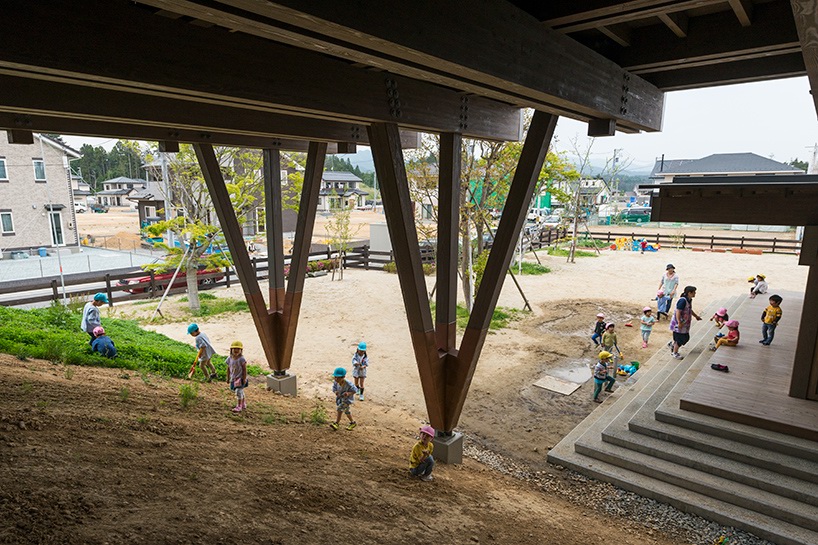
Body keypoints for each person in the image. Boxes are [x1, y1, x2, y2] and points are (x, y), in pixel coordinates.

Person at [668, 285, 702, 360]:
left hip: (685, 323)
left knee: (684, 337)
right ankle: (675, 352)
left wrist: (696, 316)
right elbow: (678, 312)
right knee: (680, 339)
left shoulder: (689, 300)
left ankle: (673, 345)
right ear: (689, 293)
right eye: (694, 292)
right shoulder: (682, 301)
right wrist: (679, 322)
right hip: (679, 323)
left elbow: (689, 310)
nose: (695, 294)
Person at [226, 340, 248, 413]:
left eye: (238, 349)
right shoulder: (229, 358)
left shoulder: (242, 359)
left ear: (241, 350)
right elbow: (228, 368)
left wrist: (244, 378)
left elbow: (244, 369)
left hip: (240, 378)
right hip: (234, 378)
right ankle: (243, 403)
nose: (236, 350)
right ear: (231, 350)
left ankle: (239, 406)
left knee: (238, 391)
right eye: (234, 349)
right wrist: (228, 377)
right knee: (240, 391)